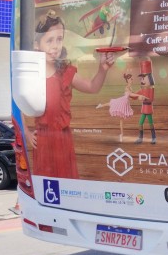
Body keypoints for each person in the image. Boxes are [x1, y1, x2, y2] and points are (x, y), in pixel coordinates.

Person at [31, 9, 115, 178]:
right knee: (46, 187)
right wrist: (26, 133)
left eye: (59, 39)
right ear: (37, 44)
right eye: (49, 40)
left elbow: (92, 87)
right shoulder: (31, 75)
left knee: (65, 182)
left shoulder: (66, 72)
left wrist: (102, 69)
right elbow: (16, 104)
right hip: (42, 141)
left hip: (63, 140)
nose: (55, 46)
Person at [97, 72, 135, 143]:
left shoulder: (130, 87)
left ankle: (121, 134)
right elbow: (130, 95)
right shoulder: (127, 87)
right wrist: (136, 96)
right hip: (123, 101)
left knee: (113, 105)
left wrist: (134, 97)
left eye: (131, 79)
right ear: (128, 80)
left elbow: (130, 98)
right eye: (130, 79)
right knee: (112, 103)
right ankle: (121, 135)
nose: (131, 80)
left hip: (126, 103)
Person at [134, 59, 156, 144]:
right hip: (144, 109)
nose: (142, 80)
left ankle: (153, 138)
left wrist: (143, 98)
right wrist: (130, 95)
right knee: (140, 123)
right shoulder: (142, 89)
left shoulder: (151, 89)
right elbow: (136, 95)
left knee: (151, 123)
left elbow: (151, 99)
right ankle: (140, 138)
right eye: (141, 78)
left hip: (148, 108)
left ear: (150, 78)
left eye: (144, 78)